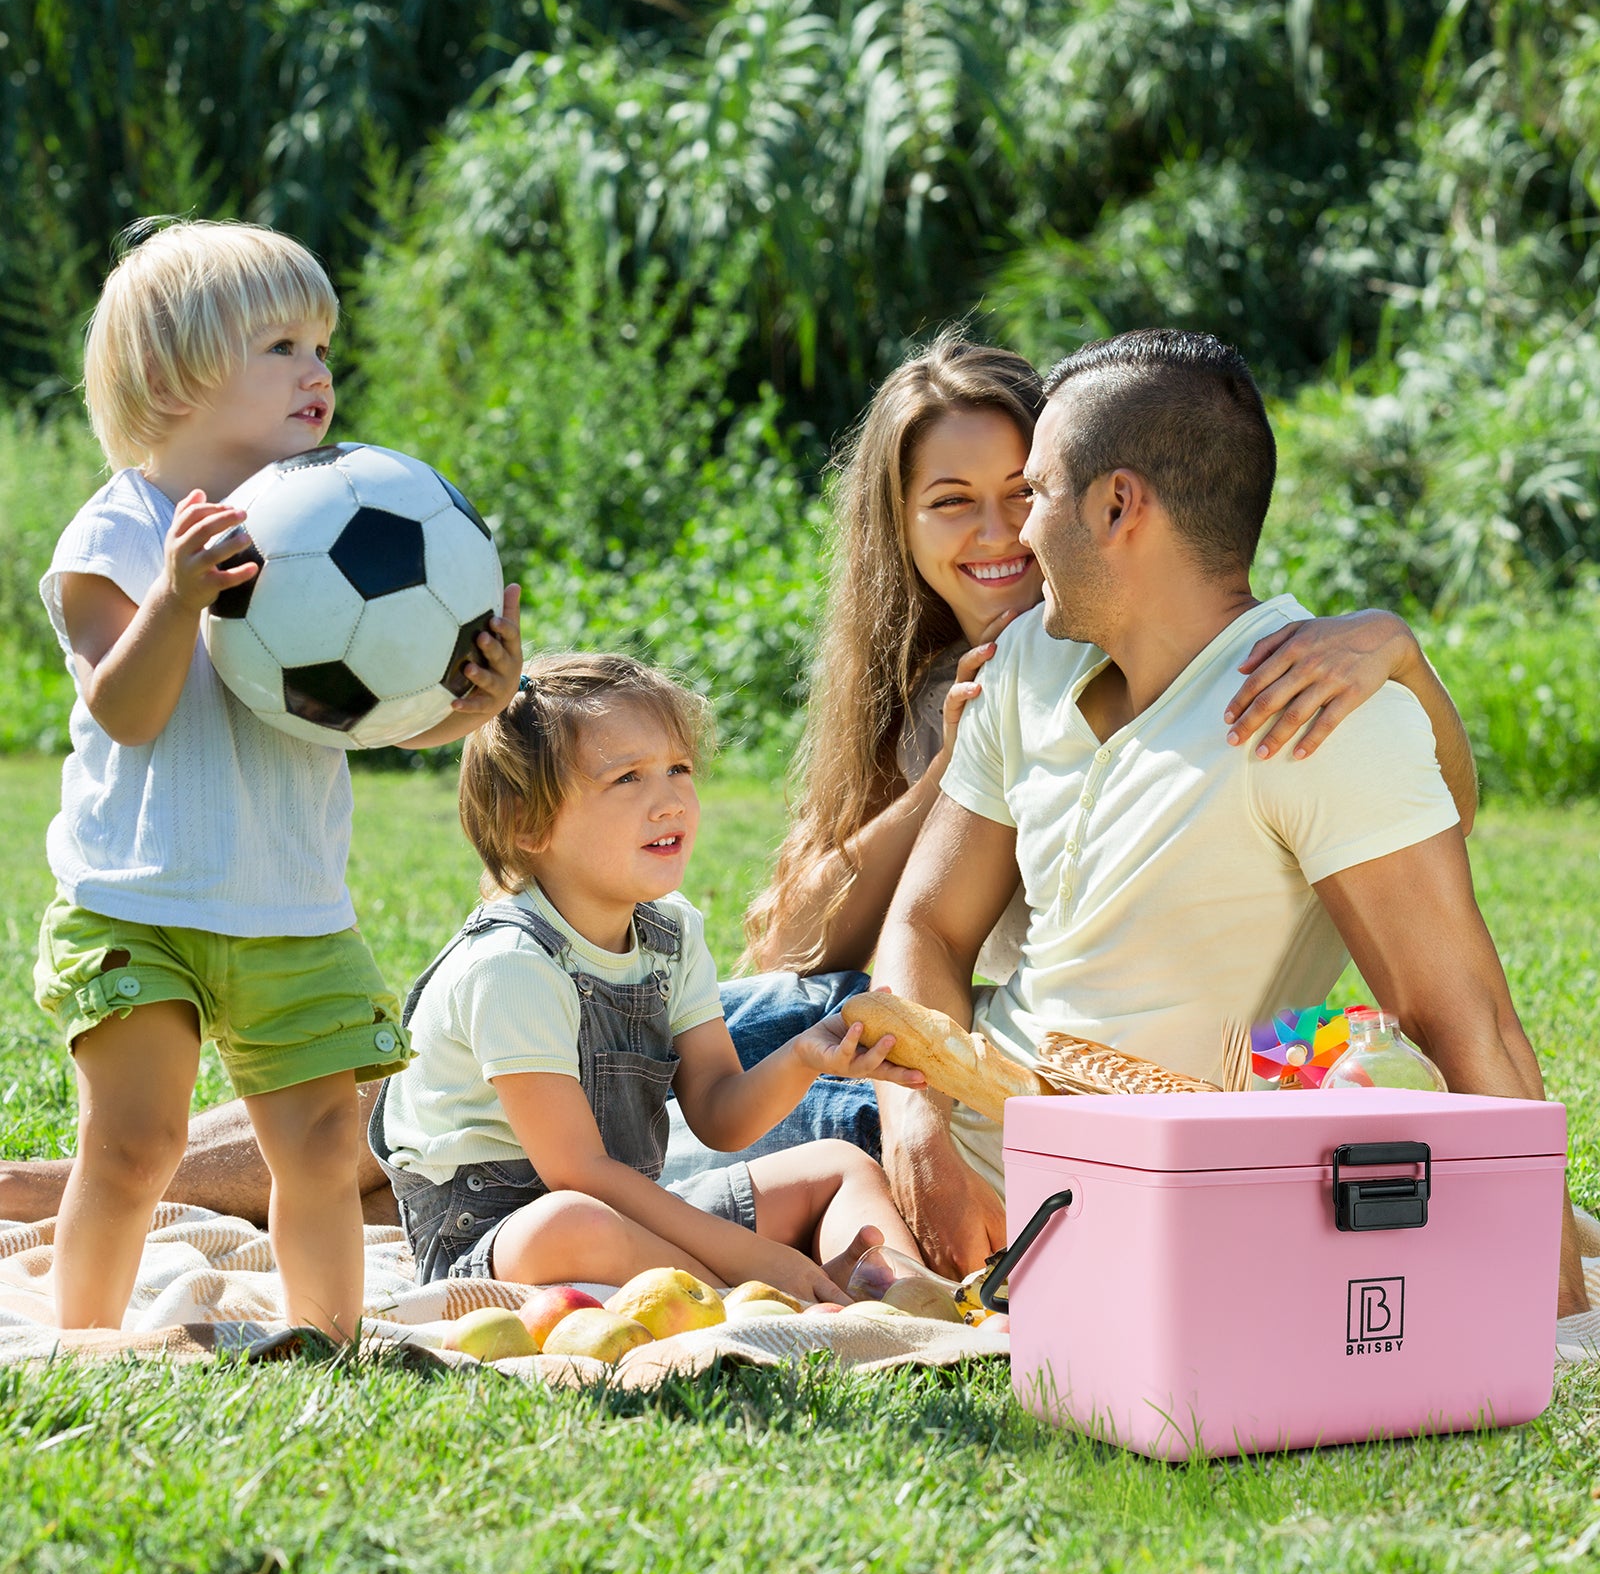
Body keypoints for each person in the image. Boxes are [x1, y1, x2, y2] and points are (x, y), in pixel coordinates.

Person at [0, 329, 1476, 1229]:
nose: (995, 536)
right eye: (948, 503)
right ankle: (84, 1191)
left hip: (926, 1059)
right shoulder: (956, 688)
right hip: (853, 1032)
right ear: (896, 529)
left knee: (472, 1122)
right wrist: (948, 768)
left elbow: (1419, 816)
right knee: (473, 1106)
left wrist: (1398, 647)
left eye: (1016, 493)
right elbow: (818, 930)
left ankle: (100, 1188)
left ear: (1101, 496)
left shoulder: (1192, 657)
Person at [866, 328, 1587, 1317]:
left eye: (1035, 494)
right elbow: (924, 927)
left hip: (1084, 1187)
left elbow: (1464, 1023)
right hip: (889, 1097)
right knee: (697, 1064)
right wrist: (916, 1131)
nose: (1018, 534)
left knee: (641, 1161)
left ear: (1119, 504)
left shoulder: (1317, 714)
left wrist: (1554, 1312)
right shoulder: (1027, 656)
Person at [30, 219, 523, 1336]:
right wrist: (176, 597)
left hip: (291, 907)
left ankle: (327, 1341)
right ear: (172, 373)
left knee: (317, 1144)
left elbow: (370, 717)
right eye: (282, 346)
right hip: (136, 901)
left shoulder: (335, 510)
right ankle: (86, 1341)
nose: (319, 371)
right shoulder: (114, 532)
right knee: (137, 1139)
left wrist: (469, 704)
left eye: (323, 346)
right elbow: (127, 707)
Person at [369, 651, 923, 1300]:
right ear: (527, 822)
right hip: (496, 1239)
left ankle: (913, 1303)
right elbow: (579, 1173)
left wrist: (803, 1058)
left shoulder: (670, 934)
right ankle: (770, 1298)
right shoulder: (511, 966)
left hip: (632, 1214)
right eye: (628, 778)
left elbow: (718, 1115)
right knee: (575, 1224)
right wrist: (755, 1262)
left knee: (839, 1166)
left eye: (679, 768)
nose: (670, 801)